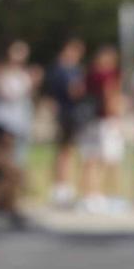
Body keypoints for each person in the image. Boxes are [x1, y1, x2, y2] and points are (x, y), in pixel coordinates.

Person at [0, 40, 38, 225]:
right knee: (8, 167)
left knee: (13, 167)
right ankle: (0, 201)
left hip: (18, 125)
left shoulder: (23, 75)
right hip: (3, 124)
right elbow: (6, 94)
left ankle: (9, 202)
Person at [78, 45, 125, 211]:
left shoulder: (88, 74)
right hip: (105, 120)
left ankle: (89, 195)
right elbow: (109, 96)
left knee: (90, 159)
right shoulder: (108, 76)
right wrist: (116, 117)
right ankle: (109, 196)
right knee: (109, 160)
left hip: (88, 120)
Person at [44, 38, 87, 207]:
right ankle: (60, 185)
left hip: (72, 113)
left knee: (69, 150)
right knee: (63, 150)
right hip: (66, 113)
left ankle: (64, 184)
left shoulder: (73, 69)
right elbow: (72, 92)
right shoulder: (62, 69)